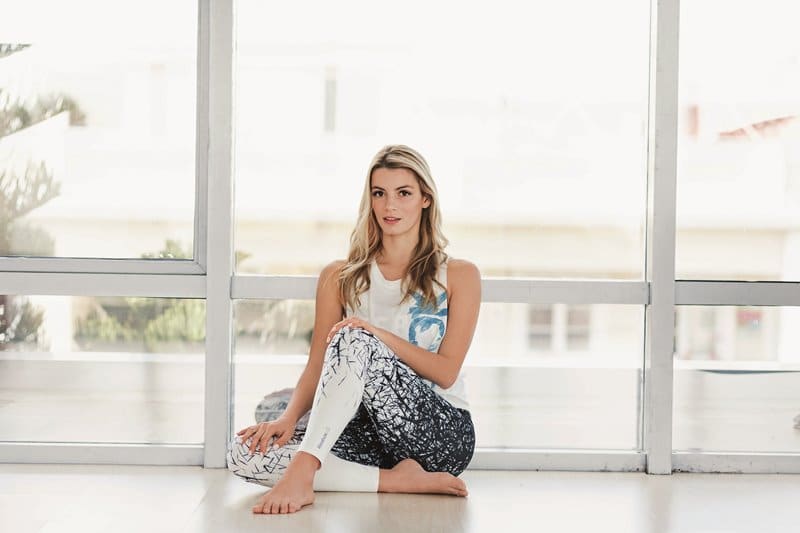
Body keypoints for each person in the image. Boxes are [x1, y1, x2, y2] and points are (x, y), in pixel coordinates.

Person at [226, 144, 481, 515]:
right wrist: (287, 418)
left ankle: (305, 471)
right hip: (366, 433)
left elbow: (445, 372)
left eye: (403, 193)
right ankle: (394, 480)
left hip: (439, 434)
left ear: (425, 199)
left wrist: (374, 335)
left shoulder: (459, 275)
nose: (389, 206)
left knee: (353, 336)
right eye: (379, 194)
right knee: (242, 455)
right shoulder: (339, 276)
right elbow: (317, 366)